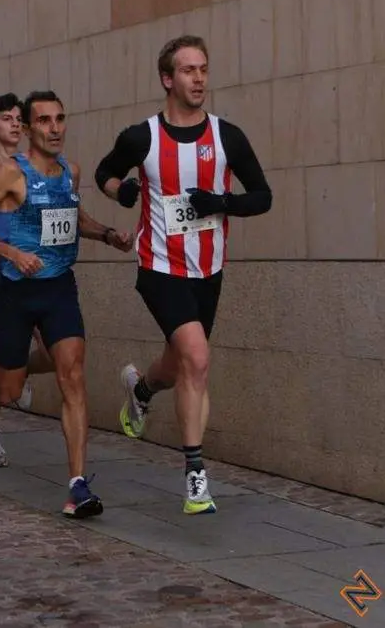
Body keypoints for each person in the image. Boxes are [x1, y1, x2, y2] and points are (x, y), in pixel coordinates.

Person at [94, 35, 273, 515]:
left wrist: (221, 202)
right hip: (159, 266)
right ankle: (195, 475)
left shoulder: (227, 136)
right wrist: (121, 192)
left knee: (181, 365)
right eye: (188, 70)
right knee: (197, 356)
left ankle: (142, 389)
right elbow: (104, 172)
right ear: (167, 79)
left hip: (208, 269)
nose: (198, 79)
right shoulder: (142, 137)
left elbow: (263, 196)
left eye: (203, 70)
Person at [0, 90, 133, 518]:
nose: (55, 128)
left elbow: (73, 217)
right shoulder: (8, 174)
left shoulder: (70, 171)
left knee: (73, 375)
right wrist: (10, 253)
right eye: (44, 121)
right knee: (9, 391)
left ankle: (77, 485)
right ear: (29, 128)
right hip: (16, 290)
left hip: (59, 288)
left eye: (60, 119)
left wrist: (109, 235)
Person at [0, 92, 53, 409]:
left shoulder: (35, 167)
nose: (15, 124)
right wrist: (4, 196)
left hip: (37, 267)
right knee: (2, 372)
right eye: (6, 119)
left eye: (18, 119)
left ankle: (19, 369)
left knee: (54, 354)